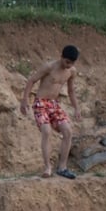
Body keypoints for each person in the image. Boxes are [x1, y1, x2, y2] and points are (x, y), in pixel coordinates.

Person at [20, 44, 81, 179]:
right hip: (41, 102)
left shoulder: (71, 71)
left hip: (54, 104)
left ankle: (62, 168)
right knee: (46, 131)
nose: (68, 65)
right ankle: (47, 167)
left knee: (68, 131)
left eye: (72, 63)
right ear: (61, 57)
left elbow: (71, 91)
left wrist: (76, 108)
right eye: (67, 62)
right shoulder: (49, 67)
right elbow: (32, 80)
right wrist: (25, 100)